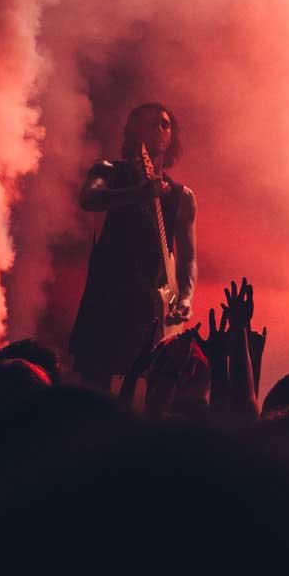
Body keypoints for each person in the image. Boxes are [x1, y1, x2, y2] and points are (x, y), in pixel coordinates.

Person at [68, 103, 197, 390]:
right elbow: (89, 198)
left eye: (164, 124)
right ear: (133, 131)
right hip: (107, 300)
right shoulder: (108, 171)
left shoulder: (182, 196)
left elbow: (188, 257)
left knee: (149, 389)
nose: (158, 129)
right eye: (149, 123)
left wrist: (185, 298)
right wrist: (138, 193)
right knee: (95, 388)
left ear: (172, 136)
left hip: (152, 309)